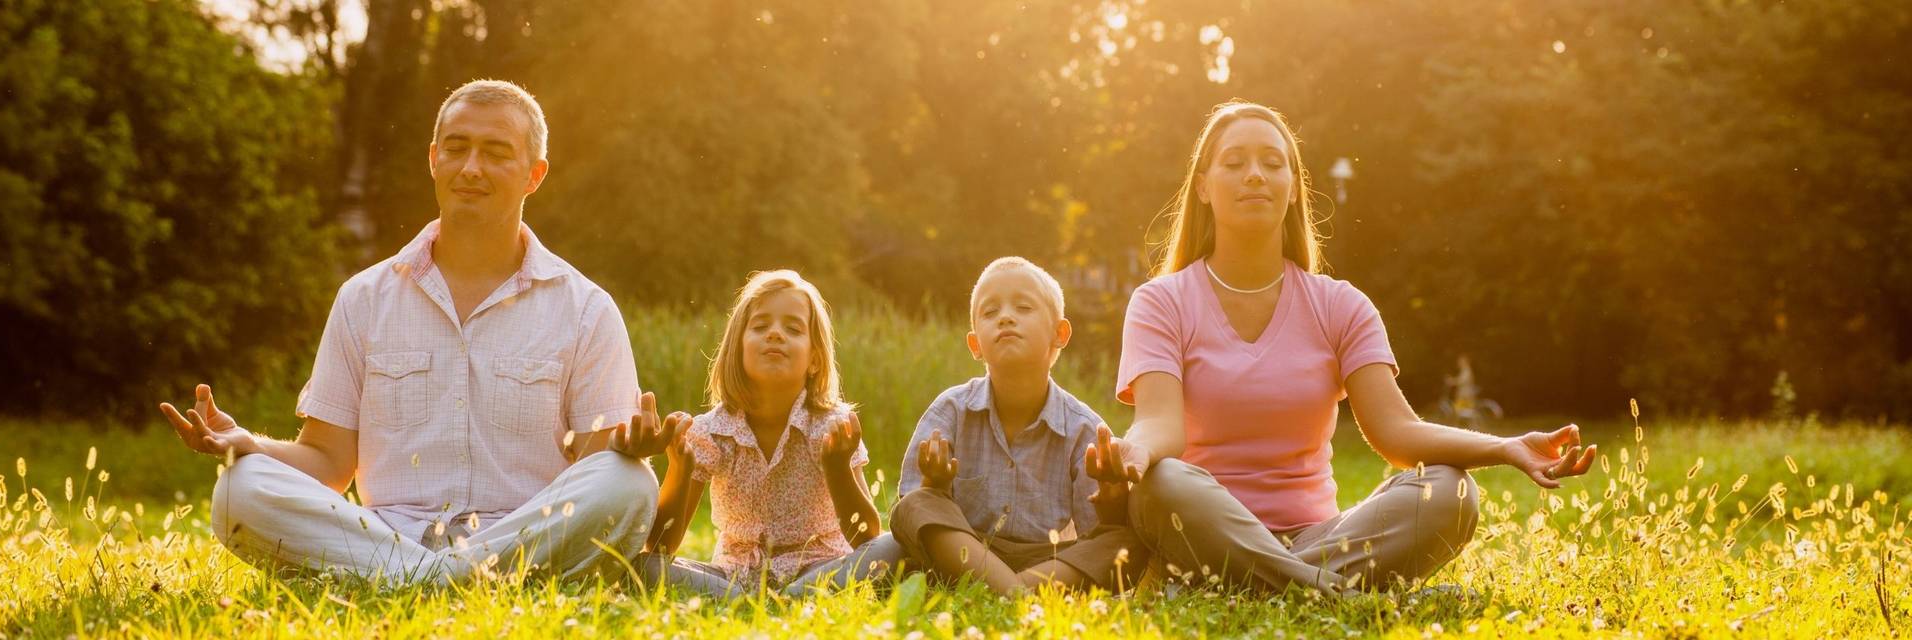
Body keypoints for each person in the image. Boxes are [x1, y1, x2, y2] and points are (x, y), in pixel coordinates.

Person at [158, 80, 669, 586]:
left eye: (496, 153)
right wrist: (249, 444)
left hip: (520, 537)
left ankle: (417, 581)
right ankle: (462, 580)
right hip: (386, 537)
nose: (471, 168)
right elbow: (329, 462)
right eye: (457, 148)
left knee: (627, 482)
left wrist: (625, 450)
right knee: (239, 486)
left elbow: (592, 470)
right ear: (433, 159)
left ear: (534, 175)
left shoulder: (586, 309)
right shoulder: (364, 298)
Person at [1096, 101, 1598, 595]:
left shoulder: (1340, 305)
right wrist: (1138, 449)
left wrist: (1505, 447)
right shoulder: (1161, 301)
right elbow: (1161, 425)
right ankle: (1337, 594)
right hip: (1204, 528)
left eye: (1273, 164)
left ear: (1293, 189)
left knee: (1451, 491)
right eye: (1234, 163)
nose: (1254, 175)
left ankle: (1255, 583)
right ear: (1203, 187)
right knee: (1161, 485)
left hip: (1322, 539)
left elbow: (1397, 433)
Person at [889, 257, 1147, 595]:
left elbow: (1098, 534)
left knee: (1126, 540)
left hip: (1047, 562)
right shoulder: (950, 410)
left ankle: (1006, 590)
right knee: (914, 505)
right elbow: (914, 507)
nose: (1006, 317)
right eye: (990, 312)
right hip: (965, 552)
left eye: (1023, 307)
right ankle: (1019, 595)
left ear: (1060, 333)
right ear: (975, 345)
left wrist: (1113, 502)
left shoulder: (1083, 429)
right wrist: (933, 486)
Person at [636, 270, 901, 597]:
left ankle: (785, 597)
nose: (775, 334)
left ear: (814, 359)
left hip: (819, 568)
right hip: (733, 575)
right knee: (639, 565)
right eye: (761, 326)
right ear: (738, 348)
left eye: (793, 328)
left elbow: (866, 536)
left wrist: (837, 468)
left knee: (893, 545)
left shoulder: (832, 426)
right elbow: (662, 545)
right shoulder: (709, 432)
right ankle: (762, 600)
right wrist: (679, 468)